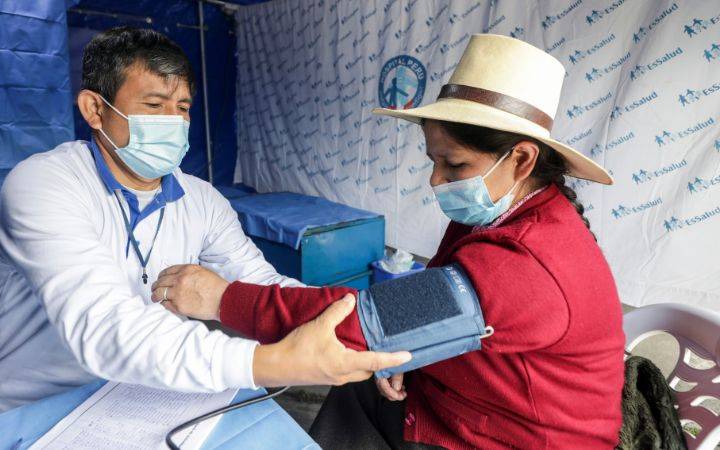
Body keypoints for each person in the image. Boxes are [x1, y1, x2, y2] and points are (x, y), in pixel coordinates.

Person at [157, 34, 625, 449]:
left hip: (511, 436)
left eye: (455, 165)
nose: (436, 180)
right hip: (472, 399)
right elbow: (424, 308)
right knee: (360, 375)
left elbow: (363, 321)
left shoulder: (521, 265)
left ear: (521, 160)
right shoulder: (503, 214)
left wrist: (224, 299)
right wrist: (415, 353)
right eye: (434, 161)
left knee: (349, 351)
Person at [0, 27, 409, 419]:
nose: (174, 122)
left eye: (182, 107)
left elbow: (263, 286)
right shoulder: (45, 184)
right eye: (154, 105)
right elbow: (103, 326)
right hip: (34, 411)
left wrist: (364, 336)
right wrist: (272, 363)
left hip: (145, 397)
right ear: (95, 110)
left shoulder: (201, 200)